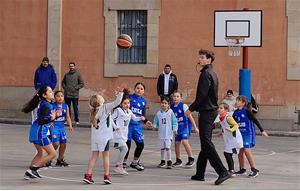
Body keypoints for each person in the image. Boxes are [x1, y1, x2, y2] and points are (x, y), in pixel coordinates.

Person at [185, 49, 231, 185]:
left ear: (209, 60)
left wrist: (190, 109)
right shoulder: (212, 73)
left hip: (207, 111)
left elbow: (202, 95)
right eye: (199, 57)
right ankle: (200, 173)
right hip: (210, 111)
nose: (200, 59)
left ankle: (222, 171)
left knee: (206, 142)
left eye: (203, 57)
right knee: (205, 142)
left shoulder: (206, 74)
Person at [83, 87, 123, 185]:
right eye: (101, 97)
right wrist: (120, 93)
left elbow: (95, 102)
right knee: (106, 157)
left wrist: (99, 95)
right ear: (101, 102)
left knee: (94, 156)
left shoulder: (93, 109)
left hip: (95, 137)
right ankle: (106, 176)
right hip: (104, 137)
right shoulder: (105, 108)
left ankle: (88, 175)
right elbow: (117, 102)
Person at [21, 86, 58, 180]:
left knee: (40, 153)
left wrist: (51, 120)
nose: (52, 93)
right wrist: (52, 118)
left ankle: (29, 172)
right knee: (53, 154)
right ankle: (33, 169)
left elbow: (44, 118)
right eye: (50, 92)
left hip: (36, 131)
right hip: (40, 133)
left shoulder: (46, 103)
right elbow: (42, 120)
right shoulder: (46, 105)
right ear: (44, 95)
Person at [233, 95, 268, 177]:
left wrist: (262, 130)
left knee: (246, 150)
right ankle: (242, 169)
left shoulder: (247, 111)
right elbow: (232, 123)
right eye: (236, 100)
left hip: (247, 134)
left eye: (238, 100)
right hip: (239, 134)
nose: (236, 102)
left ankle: (254, 169)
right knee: (240, 151)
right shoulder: (235, 112)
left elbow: (255, 120)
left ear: (243, 103)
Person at [111, 89, 145, 175]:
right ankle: (119, 166)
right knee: (125, 148)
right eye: (125, 103)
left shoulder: (129, 112)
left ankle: (119, 166)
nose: (127, 105)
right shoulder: (118, 111)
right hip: (117, 136)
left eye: (128, 103)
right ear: (121, 104)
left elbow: (134, 118)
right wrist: (115, 127)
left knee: (124, 149)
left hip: (123, 135)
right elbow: (110, 119)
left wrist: (140, 118)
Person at [123, 82, 152, 171]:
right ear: (134, 89)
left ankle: (135, 162)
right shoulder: (129, 98)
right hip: (128, 125)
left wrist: (146, 121)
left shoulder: (143, 101)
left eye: (141, 89)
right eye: (137, 88)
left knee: (141, 144)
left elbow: (143, 115)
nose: (139, 90)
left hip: (137, 126)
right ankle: (123, 162)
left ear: (143, 91)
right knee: (127, 144)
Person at [171, 91, 199, 168]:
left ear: (181, 98)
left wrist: (195, 127)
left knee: (184, 141)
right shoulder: (172, 107)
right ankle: (178, 160)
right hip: (177, 128)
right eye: (174, 96)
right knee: (176, 144)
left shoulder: (183, 106)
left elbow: (190, 117)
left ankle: (191, 158)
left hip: (185, 126)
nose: (175, 98)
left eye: (177, 96)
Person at [217, 102, 243, 176]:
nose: (219, 109)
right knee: (228, 153)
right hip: (229, 139)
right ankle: (231, 170)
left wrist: (231, 130)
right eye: (219, 108)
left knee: (227, 153)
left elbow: (236, 125)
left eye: (221, 108)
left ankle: (232, 170)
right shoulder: (221, 117)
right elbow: (224, 127)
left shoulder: (228, 117)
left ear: (226, 110)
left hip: (234, 139)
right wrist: (221, 133)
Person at [152, 96, 178, 169]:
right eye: (162, 103)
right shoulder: (158, 113)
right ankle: (162, 161)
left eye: (165, 103)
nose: (163, 104)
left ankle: (169, 161)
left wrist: (175, 129)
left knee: (168, 147)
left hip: (168, 134)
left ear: (168, 104)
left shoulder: (171, 112)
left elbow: (175, 122)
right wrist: (153, 126)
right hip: (161, 134)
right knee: (162, 148)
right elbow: (155, 122)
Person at [51, 90, 74, 167]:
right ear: (54, 98)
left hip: (61, 128)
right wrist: (50, 123)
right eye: (58, 96)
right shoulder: (52, 106)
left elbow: (67, 117)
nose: (60, 98)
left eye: (61, 96)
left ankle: (60, 159)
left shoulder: (65, 106)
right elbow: (50, 117)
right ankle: (49, 158)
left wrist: (70, 125)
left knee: (63, 143)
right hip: (54, 127)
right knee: (56, 143)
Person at [32, 57, 57, 123]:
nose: (45, 63)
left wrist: (51, 87)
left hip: (48, 90)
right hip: (40, 90)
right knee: (38, 103)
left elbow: (54, 80)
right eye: (44, 62)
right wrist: (37, 87)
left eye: (46, 62)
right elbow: (35, 79)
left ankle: (50, 116)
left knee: (49, 103)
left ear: (48, 63)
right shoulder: (38, 70)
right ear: (42, 62)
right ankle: (37, 117)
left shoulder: (51, 70)